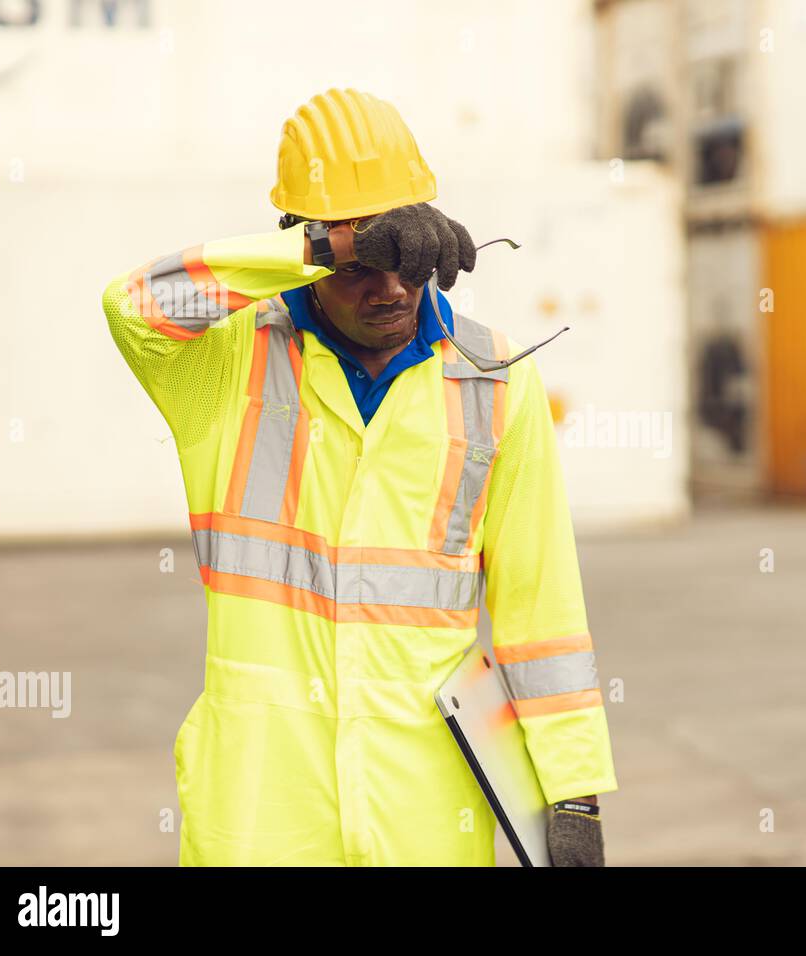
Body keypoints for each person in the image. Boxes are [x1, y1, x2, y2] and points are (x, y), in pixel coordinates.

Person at [101, 87, 617, 866]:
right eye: (364, 265)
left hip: (427, 817)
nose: (391, 287)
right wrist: (328, 250)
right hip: (263, 814)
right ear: (302, 246)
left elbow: (542, 608)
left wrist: (573, 789)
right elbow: (134, 306)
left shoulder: (495, 383)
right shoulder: (226, 365)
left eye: (402, 257)